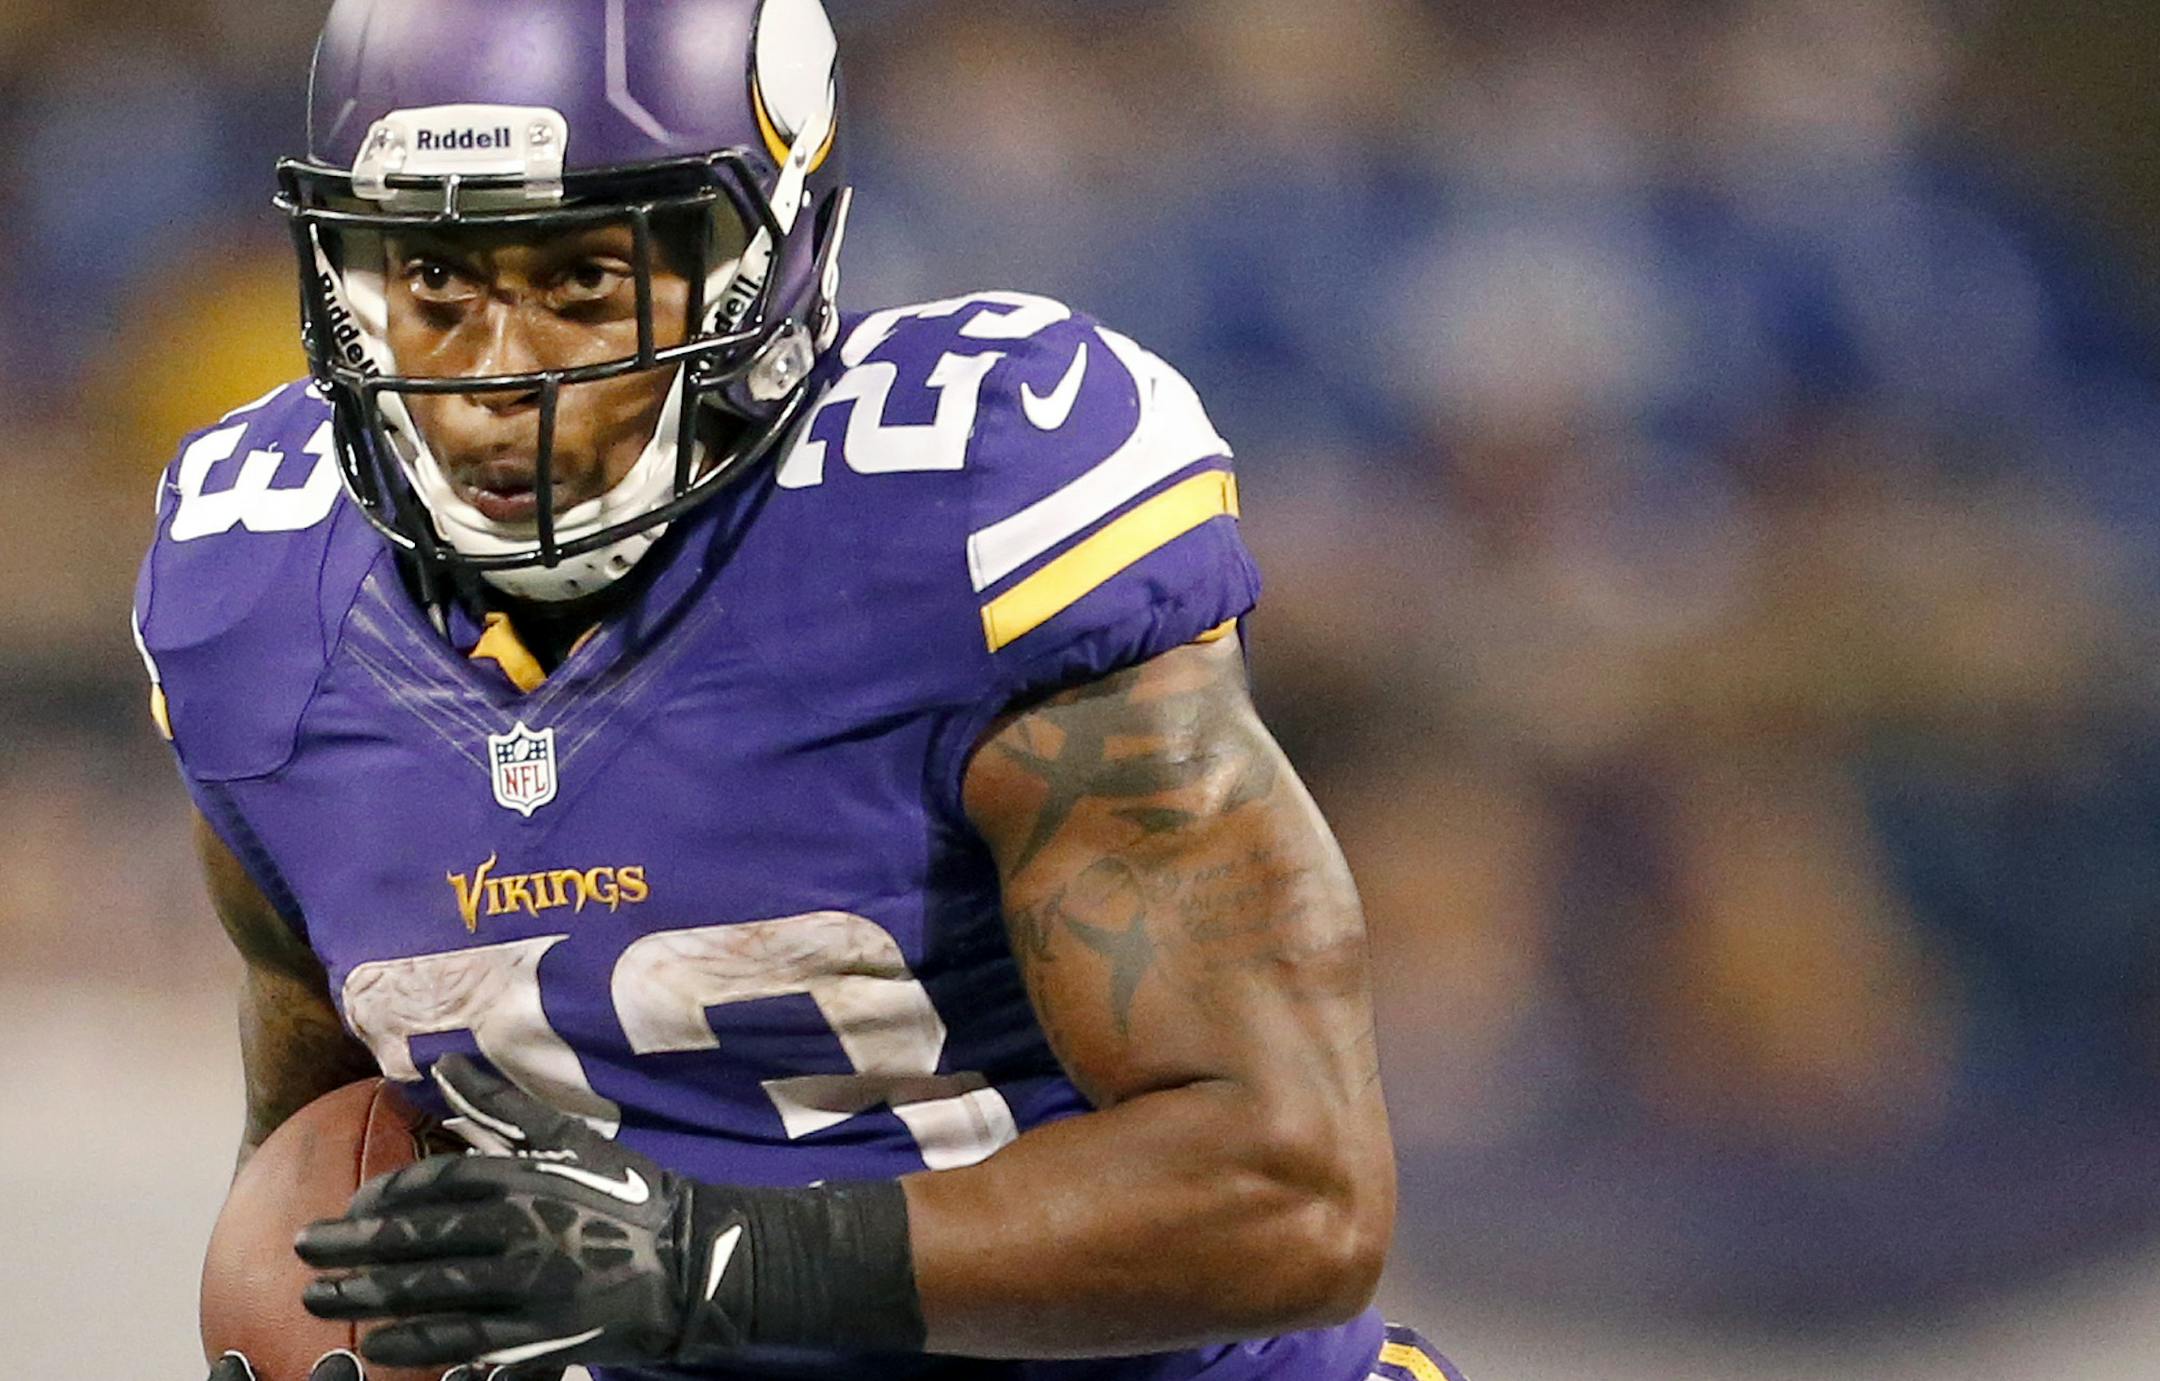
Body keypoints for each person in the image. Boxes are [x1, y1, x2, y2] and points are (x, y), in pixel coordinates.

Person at [138, 2, 1467, 1379]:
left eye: (583, 281)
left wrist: (716, 1264)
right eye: (434, 279)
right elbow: (334, 1145)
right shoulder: (260, 595)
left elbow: (1291, 1193)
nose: (494, 374)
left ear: (761, 262)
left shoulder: (964, 514)